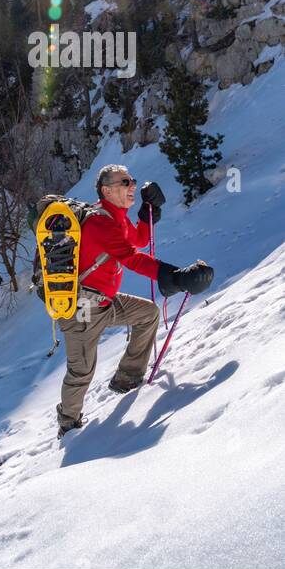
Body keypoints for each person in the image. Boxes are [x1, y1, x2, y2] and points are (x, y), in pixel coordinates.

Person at [55, 165, 214, 437]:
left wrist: (147, 214)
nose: (132, 186)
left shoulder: (115, 216)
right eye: (125, 182)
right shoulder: (99, 222)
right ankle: (68, 425)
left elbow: (138, 240)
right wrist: (175, 276)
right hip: (82, 308)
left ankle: (127, 378)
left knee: (148, 313)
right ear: (106, 190)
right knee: (82, 370)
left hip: (105, 301)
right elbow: (131, 258)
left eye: (133, 181)